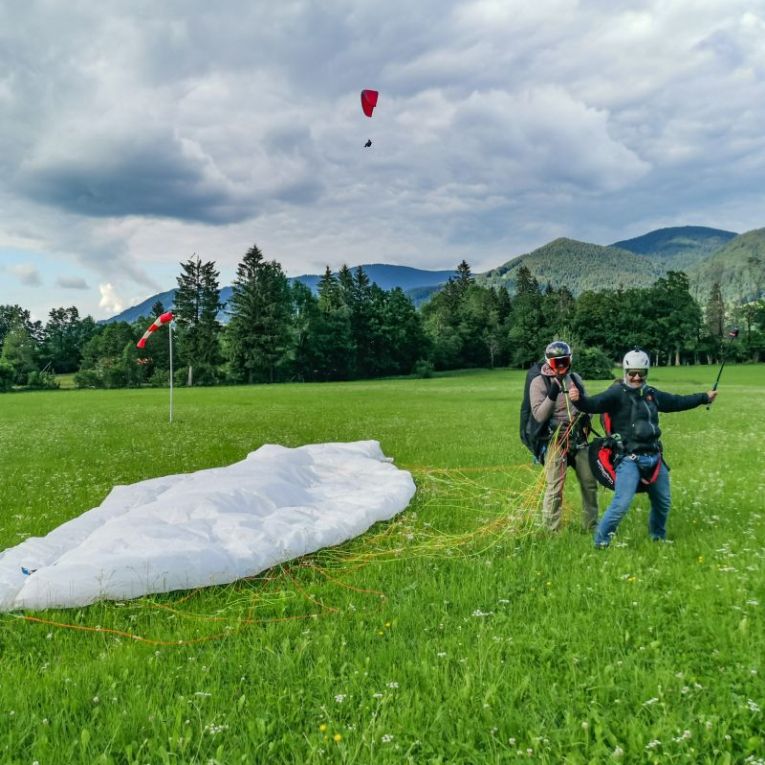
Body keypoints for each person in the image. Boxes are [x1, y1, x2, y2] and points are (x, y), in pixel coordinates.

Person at [569, 348, 718, 547]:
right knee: (621, 504)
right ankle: (600, 542)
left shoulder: (652, 394)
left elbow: (677, 402)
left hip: (654, 457)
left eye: (641, 373)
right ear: (626, 372)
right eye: (632, 373)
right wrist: (579, 400)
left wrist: (704, 398)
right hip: (628, 459)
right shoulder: (616, 394)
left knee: (662, 502)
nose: (637, 377)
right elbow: (593, 404)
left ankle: (657, 538)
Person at [529, 341, 599, 532]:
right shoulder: (538, 382)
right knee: (555, 487)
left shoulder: (575, 378)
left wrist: (581, 401)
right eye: (555, 363)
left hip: (579, 439)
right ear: (548, 362)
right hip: (555, 440)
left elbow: (590, 410)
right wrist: (553, 390)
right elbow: (539, 415)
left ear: (570, 360)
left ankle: (591, 527)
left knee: (589, 483)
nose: (560, 366)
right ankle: (551, 531)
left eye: (564, 361)